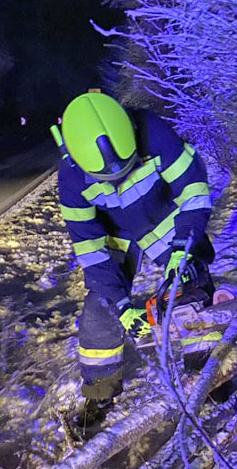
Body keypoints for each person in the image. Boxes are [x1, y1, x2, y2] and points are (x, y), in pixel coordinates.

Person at [52, 90, 215, 416]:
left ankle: (207, 375)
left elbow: (193, 192)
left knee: (190, 288)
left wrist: (182, 254)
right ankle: (100, 393)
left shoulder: (153, 131)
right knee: (100, 309)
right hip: (117, 238)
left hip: (166, 221)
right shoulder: (71, 178)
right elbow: (91, 250)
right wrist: (124, 309)